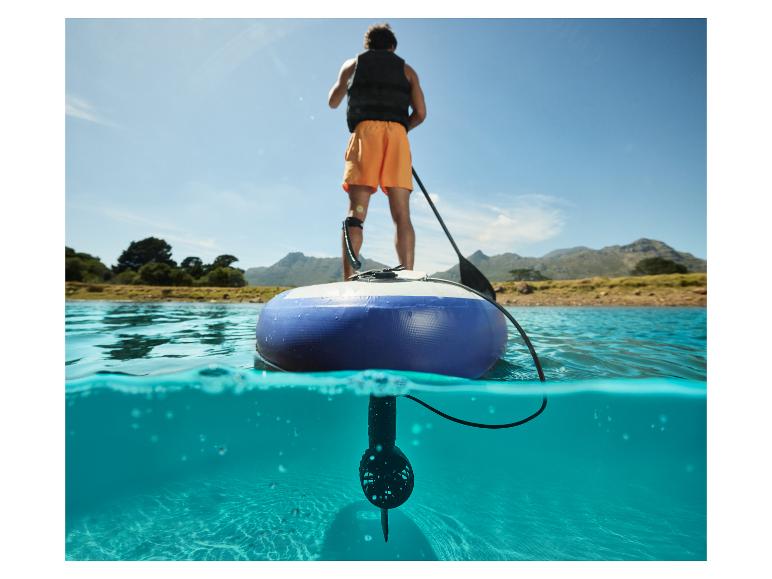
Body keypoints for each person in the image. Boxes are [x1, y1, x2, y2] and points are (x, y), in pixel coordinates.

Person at [328, 23, 427, 280]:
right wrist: (400, 129)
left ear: (367, 45)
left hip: (365, 135)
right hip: (397, 137)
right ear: (392, 46)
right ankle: (408, 275)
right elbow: (421, 114)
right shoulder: (407, 70)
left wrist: (345, 85)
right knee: (401, 214)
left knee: (356, 211)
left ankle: (349, 278)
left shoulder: (352, 65)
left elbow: (333, 101)